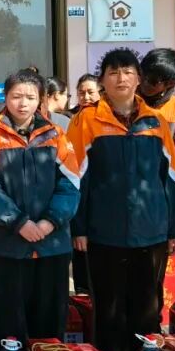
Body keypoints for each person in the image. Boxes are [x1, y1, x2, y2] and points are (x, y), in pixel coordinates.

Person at [67, 48, 175, 351]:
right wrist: (79, 227)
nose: (121, 78)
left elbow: (172, 177)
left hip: (152, 232)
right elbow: (74, 177)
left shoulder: (156, 122)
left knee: (147, 307)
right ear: (103, 80)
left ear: (138, 78)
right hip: (103, 233)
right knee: (108, 308)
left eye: (128, 71)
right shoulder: (86, 121)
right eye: (113, 72)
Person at [0, 69, 79, 351]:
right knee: (7, 319)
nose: (23, 103)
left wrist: (50, 221)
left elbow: (71, 182)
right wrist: (18, 222)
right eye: (16, 96)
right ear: (5, 97)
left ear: (41, 100)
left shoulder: (55, 134)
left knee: (49, 319)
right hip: (8, 243)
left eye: (30, 97)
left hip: (51, 243)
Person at [68, 72, 101, 294]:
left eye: (91, 92)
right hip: (80, 198)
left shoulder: (110, 120)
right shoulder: (76, 120)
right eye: (82, 92)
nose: (86, 97)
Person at [138, 48, 175, 130]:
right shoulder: (122, 100)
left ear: (170, 83)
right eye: (141, 75)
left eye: (152, 80)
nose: (145, 83)